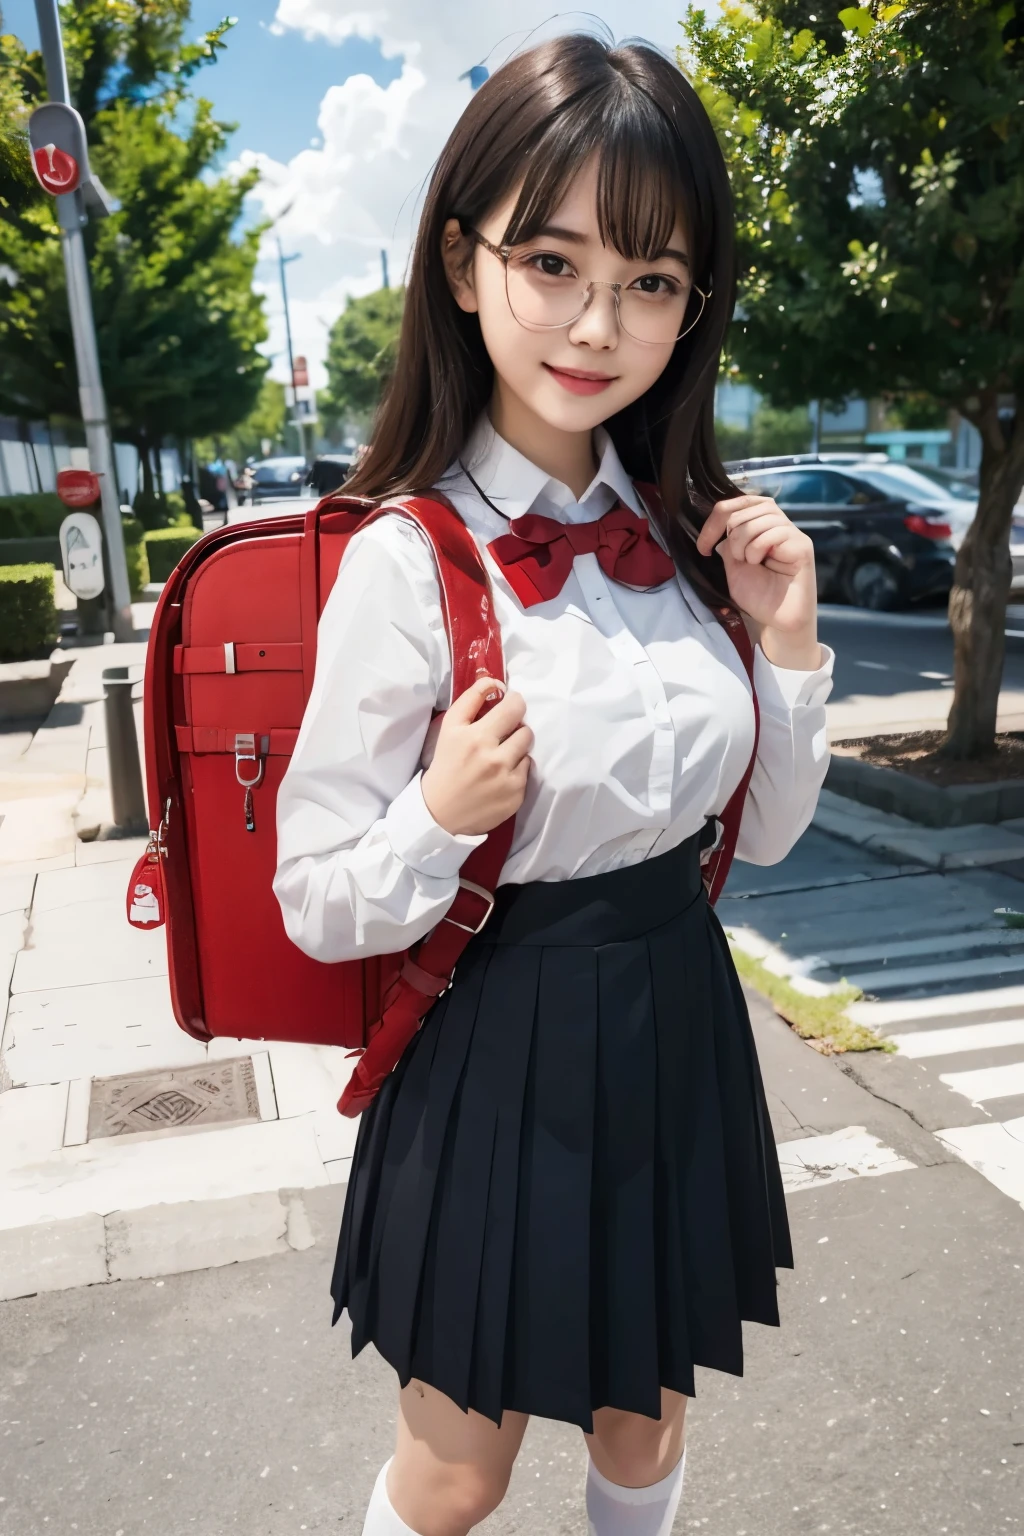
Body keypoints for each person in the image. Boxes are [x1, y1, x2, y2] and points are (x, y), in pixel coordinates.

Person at [274, 33, 832, 1536]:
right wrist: (437, 819)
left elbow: (765, 836)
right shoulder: (407, 563)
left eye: (653, 282)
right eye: (553, 262)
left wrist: (786, 650)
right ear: (464, 266)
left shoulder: (693, 541)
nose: (600, 324)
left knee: (643, 1424)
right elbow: (317, 899)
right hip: (492, 1043)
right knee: (460, 1470)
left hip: (676, 1023)